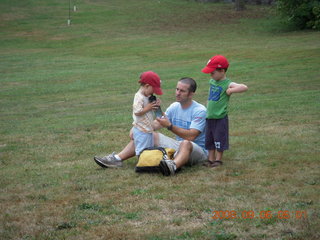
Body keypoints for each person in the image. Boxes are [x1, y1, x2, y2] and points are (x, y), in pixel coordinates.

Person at [93, 77, 208, 176]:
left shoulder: (199, 110)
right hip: (179, 147)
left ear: (191, 94)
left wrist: (170, 126)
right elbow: (157, 122)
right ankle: (117, 159)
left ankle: (172, 166)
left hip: (198, 152)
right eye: (177, 89)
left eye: (182, 91)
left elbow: (191, 136)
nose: (177, 93)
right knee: (147, 134)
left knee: (186, 143)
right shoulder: (174, 106)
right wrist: (139, 128)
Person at [201, 55, 248, 167]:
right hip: (210, 116)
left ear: (222, 71)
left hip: (220, 117)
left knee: (219, 138)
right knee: (209, 139)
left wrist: (231, 90)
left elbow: (244, 87)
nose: (210, 75)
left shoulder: (227, 83)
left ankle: (218, 159)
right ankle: (210, 159)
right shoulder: (212, 81)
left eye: (212, 72)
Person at [132, 71, 163, 156]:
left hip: (148, 127)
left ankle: (147, 161)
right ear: (147, 86)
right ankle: (141, 163)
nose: (153, 93)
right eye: (153, 90)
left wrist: (155, 105)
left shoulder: (147, 96)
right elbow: (137, 112)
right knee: (141, 149)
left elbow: (149, 109)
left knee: (149, 147)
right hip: (141, 129)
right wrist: (148, 107)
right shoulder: (138, 97)